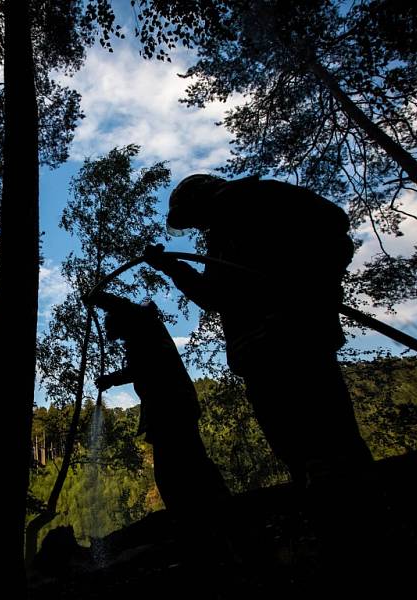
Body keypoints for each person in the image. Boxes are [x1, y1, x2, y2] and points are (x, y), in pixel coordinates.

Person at [144, 174, 373, 488]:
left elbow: (333, 226)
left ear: (200, 199)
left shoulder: (256, 196)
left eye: (193, 219)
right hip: (257, 355)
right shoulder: (220, 238)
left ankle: (365, 511)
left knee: (330, 442)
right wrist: (171, 267)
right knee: (296, 450)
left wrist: (308, 295)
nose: (197, 226)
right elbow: (215, 295)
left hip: (297, 343)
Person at [85, 291, 230, 529]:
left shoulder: (145, 323)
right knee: (184, 466)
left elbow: (121, 306)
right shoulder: (142, 337)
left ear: (123, 321)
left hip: (172, 407)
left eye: (119, 333)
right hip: (167, 408)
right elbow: (139, 368)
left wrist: (97, 297)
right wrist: (113, 378)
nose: (120, 339)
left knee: (179, 469)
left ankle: (203, 518)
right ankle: (204, 516)